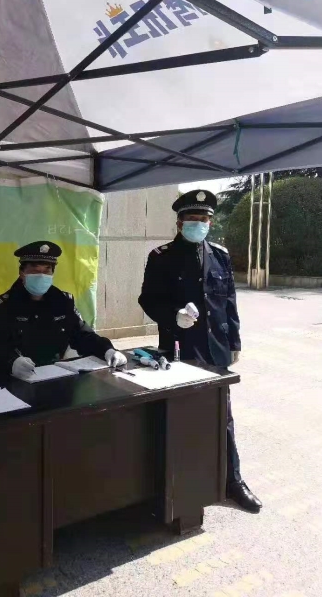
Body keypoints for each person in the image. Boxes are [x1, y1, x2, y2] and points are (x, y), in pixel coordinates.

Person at [138, 189, 262, 513]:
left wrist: (234, 342)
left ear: (211, 222)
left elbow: (229, 302)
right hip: (180, 349)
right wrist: (173, 315)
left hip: (215, 349)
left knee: (223, 416)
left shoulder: (220, 255)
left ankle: (233, 481)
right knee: (180, 416)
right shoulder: (161, 257)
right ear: (179, 223)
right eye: (192, 219)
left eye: (203, 218)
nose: (198, 224)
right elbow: (148, 299)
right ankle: (181, 483)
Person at [0, 241, 127, 384]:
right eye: (35, 270)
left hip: (57, 377)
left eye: (46, 270)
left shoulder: (63, 301)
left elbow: (82, 335)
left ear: (52, 273)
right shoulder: (3, 306)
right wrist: (11, 362)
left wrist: (107, 350)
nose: (41, 275)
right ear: (22, 273)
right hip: (15, 380)